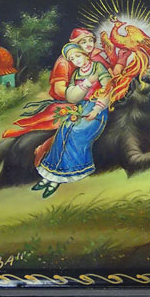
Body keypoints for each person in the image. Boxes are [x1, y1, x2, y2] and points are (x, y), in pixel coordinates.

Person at [32, 43, 112, 198]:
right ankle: (50, 175)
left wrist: (97, 109)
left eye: (78, 56)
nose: (76, 60)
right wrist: (87, 83)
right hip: (81, 108)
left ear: (85, 54)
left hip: (97, 109)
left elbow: (108, 87)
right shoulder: (76, 74)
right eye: (72, 59)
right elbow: (71, 97)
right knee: (64, 129)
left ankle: (62, 176)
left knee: (76, 131)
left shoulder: (97, 67)